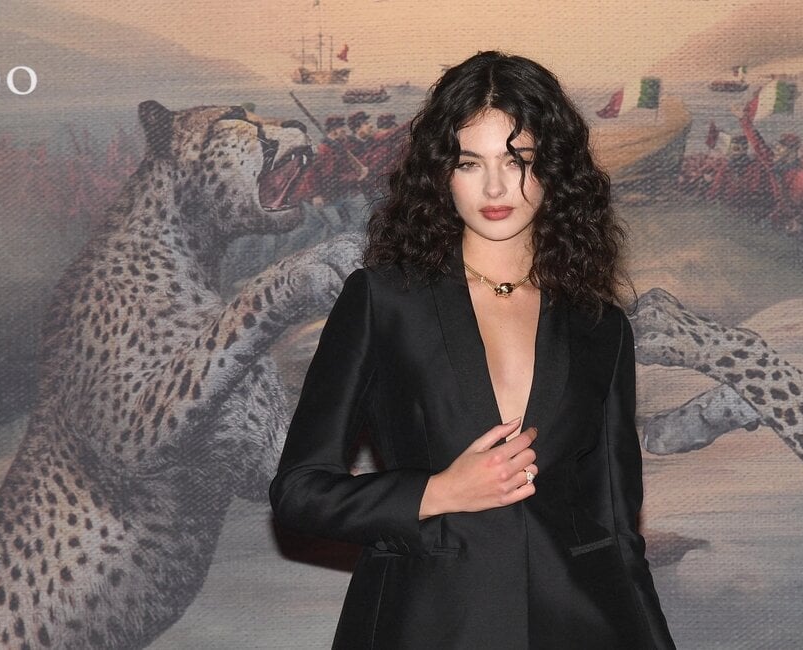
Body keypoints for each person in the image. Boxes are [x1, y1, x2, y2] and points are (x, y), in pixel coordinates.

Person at [270, 51, 676, 649]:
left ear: (554, 169)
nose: (494, 187)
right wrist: (439, 492)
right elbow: (299, 491)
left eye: (518, 161)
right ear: (441, 174)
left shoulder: (600, 326)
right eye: (469, 162)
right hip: (426, 626)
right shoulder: (383, 300)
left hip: (577, 627)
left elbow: (617, 532)